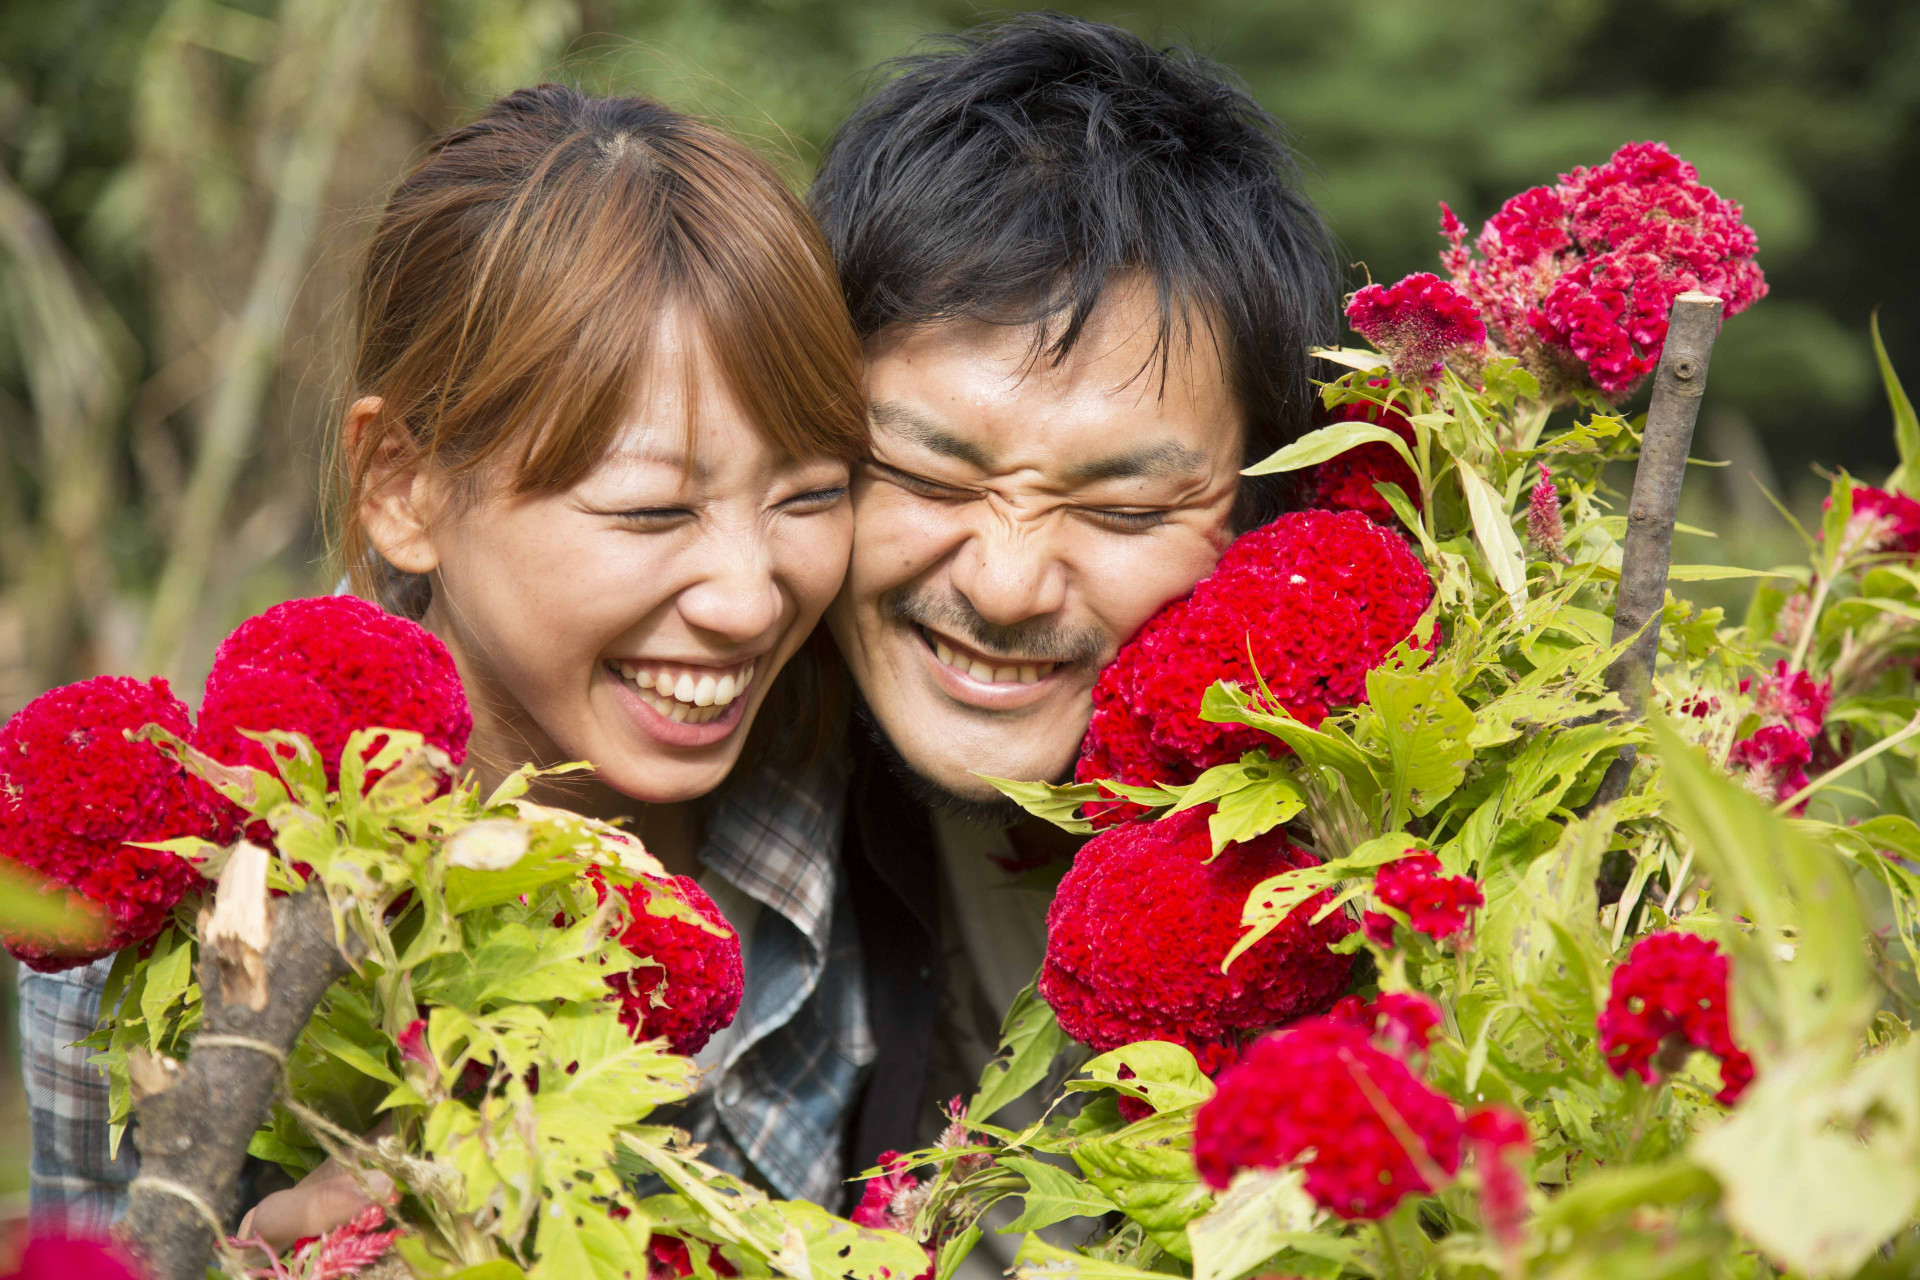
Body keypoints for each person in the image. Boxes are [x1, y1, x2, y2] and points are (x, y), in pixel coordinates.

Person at [18, 84, 875, 1235]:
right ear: (403, 488)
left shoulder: (869, 770)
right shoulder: (167, 904)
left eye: (812, 494)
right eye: (651, 509)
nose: (750, 595)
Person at [806, 13, 1341, 1177]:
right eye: (926, 471)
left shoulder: (1369, 875)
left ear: (1261, 508)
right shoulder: (710, 721)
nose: (1003, 584)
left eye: (1123, 510)